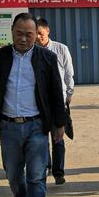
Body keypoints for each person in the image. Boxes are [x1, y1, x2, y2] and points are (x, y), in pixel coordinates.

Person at [0, 13, 72, 197]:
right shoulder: (0, 57)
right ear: (12, 31)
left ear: (36, 35)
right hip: (8, 126)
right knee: (13, 174)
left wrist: (59, 125)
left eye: (29, 35)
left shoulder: (47, 58)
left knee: (36, 177)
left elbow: (56, 93)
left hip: (36, 127)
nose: (23, 39)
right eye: (19, 34)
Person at [36, 17, 74, 185]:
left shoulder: (61, 49)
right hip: (39, 103)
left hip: (58, 102)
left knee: (58, 137)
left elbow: (69, 73)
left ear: (48, 31)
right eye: (35, 34)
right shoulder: (32, 52)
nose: (38, 37)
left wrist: (69, 94)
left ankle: (58, 172)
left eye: (40, 33)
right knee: (41, 138)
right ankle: (47, 166)